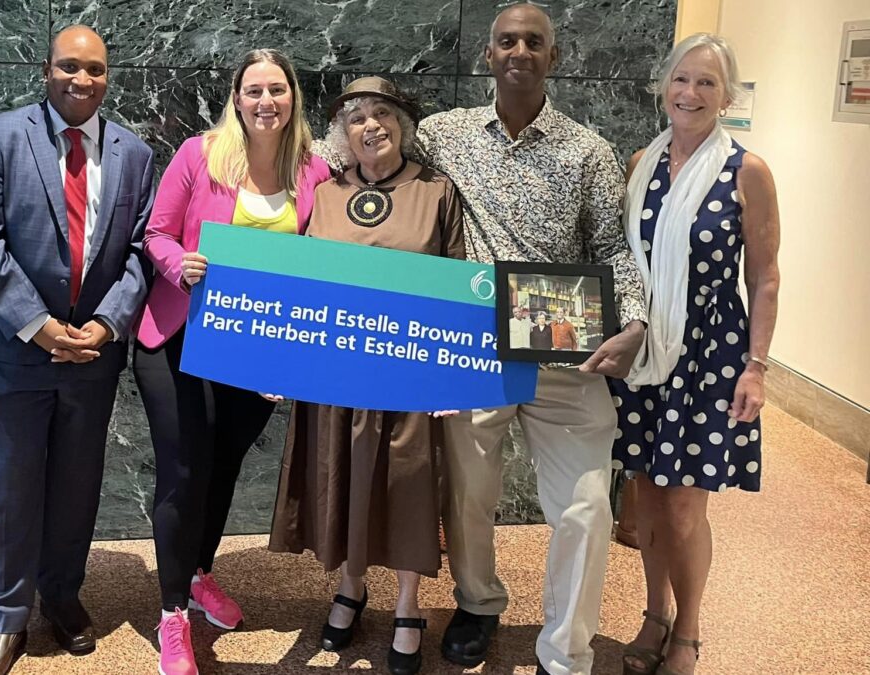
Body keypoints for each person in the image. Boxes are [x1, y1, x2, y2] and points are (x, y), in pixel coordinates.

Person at [416, 4, 650, 675]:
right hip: (475, 350)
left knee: (584, 508)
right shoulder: (442, 135)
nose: (519, 50)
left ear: (554, 56)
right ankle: (479, 601)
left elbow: (612, 247)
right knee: (468, 494)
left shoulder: (588, 151)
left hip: (567, 354)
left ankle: (567, 650)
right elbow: (364, 156)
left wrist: (632, 321)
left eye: (534, 42)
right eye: (506, 41)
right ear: (486, 55)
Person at [0, 25, 154, 675]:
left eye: (94, 69)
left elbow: (139, 252)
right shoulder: (1, 136)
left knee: (77, 484)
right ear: (46, 70)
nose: (82, 79)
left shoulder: (135, 153)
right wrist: (39, 325)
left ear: (108, 76)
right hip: (16, 350)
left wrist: (106, 323)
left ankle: (62, 594)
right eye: (69, 66)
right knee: (10, 485)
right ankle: (4, 617)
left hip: (92, 354)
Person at [134, 48, 331, 675]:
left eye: (277, 89)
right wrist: (177, 264)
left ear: (293, 97)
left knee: (222, 469)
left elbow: (320, 269)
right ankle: (171, 617)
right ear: (237, 99)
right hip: (177, 338)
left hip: (254, 355)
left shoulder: (316, 172)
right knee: (185, 470)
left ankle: (197, 573)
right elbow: (156, 233)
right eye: (253, 91)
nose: (266, 101)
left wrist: (295, 355)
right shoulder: (200, 154)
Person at [268, 76, 464, 675]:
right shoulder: (324, 194)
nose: (370, 126)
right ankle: (350, 586)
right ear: (342, 133)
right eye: (357, 118)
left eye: (382, 114)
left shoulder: (437, 192)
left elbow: (458, 283)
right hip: (336, 377)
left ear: (402, 124)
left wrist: (452, 377)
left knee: (406, 486)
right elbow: (297, 286)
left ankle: (408, 604)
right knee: (341, 479)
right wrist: (275, 358)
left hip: (407, 377)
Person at [610, 34, 780, 675]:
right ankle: (653, 614)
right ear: (663, 87)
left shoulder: (747, 171)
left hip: (712, 352)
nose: (690, 93)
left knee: (685, 504)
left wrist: (757, 367)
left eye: (707, 83)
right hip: (645, 349)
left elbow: (765, 276)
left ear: (727, 96)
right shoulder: (640, 164)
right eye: (682, 79)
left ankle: (689, 629)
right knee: (647, 494)